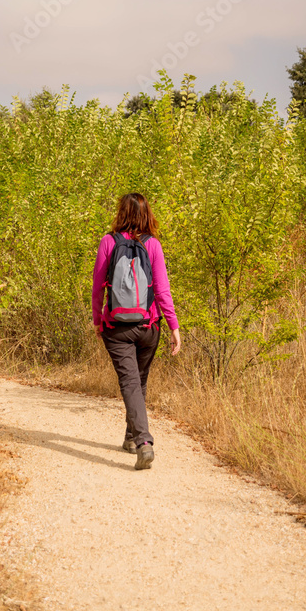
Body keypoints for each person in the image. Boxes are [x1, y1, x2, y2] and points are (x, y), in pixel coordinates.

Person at [91, 192, 180, 470]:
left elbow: (97, 286)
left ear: (121, 213)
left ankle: (142, 442)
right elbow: (163, 291)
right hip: (148, 327)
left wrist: (97, 319)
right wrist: (174, 326)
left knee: (131, 383)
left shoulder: (108, 241)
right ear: (147, 214)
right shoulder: (153, 245)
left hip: (116, 328)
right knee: (138, 382)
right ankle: (132, 438)